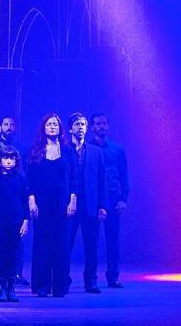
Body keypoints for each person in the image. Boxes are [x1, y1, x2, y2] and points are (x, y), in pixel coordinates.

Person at [27, 113, 77, 298]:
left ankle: (60, 287)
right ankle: (41, 286)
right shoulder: (35, 151)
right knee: (42, 244)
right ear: (43, 128)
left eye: (56, 124)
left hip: (62, 204)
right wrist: (31, 200)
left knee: (62, 245)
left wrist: (73, 200)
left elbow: (74, 178)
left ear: (60, 128)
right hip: (42, 203)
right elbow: (29, 180)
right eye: (49, 124)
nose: (53, 127)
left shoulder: (68, 150)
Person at [67, 112, 108, 294]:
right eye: (77, 124)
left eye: (83, 124)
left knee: (91, 245)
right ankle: (63, 279)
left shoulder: (96, 152)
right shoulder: (64, 149)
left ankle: (91, 281)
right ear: (70, 128)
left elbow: (102, 181)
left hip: (90, 205)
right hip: (69, 205)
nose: (81, 127)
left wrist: (102, 205)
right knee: (66, 244)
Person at [90, 112, 129, 289]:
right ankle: (91, 278)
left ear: (108, 126)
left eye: (104, 123)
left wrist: (123, 199)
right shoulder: (88, 148)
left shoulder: (117, 149)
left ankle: (113, 276)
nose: (101, 126)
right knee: (92, 239)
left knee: (112, 240)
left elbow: (124, 175)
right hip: (94, 199)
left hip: (113, 198)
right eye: (98, 124)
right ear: (92, 127)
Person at [0, 146, 29, 302]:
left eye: (12, 158)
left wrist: (25, 221)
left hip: (16, 222)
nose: (9, 161)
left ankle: (11, 287)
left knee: (13, 254)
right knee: (0, 255)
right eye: (5, 158)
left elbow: (25, 201)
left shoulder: (20, 179)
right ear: (0, 160)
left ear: (16, 160)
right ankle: (2, 287)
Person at [0, 116, 30, 286]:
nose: (9, 127)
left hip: (18, 196)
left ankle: (17, 273)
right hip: (1, 202)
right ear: (0, 127)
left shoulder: (23, 148)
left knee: (18, 243)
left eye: (12, 125)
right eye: (6, 124)